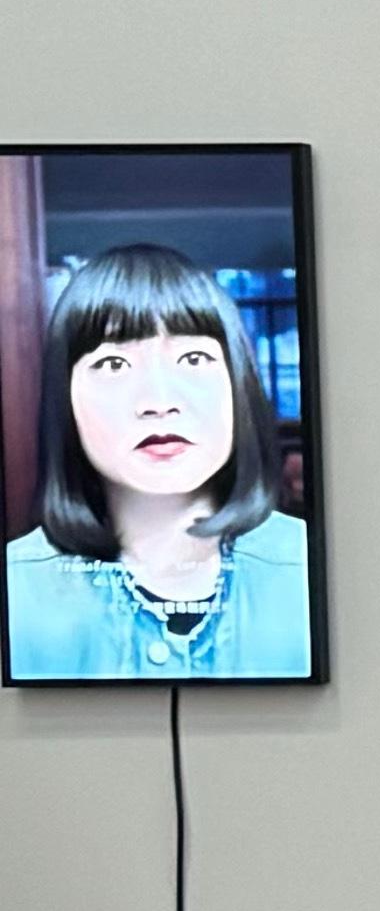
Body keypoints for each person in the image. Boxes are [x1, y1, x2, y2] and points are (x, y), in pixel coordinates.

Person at [5, 242, 317, 679]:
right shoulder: (16, 589)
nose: (159, 400)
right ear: (65, 402)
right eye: (113, 364)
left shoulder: (318, 568)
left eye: (194, 359)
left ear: (238, 386)